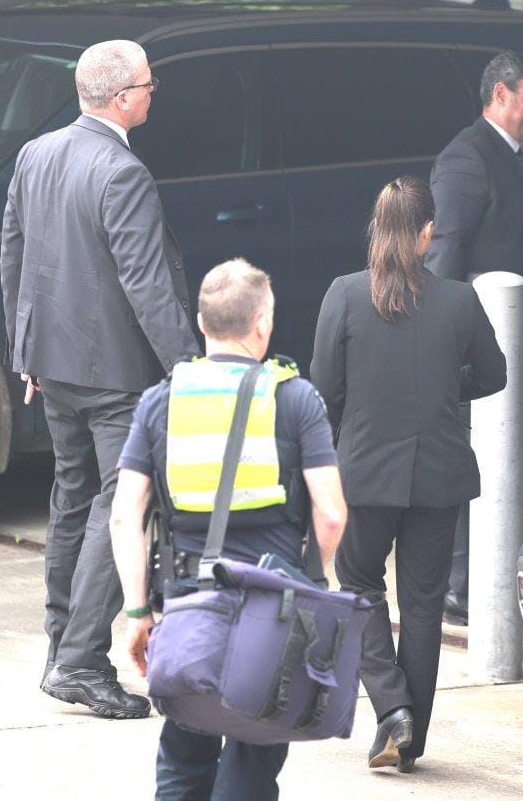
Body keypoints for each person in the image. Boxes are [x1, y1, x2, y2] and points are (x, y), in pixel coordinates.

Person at [0, 39, 199, 719]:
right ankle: (81, 660)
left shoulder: (36, 153)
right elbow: (145, 284)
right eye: (148, 84)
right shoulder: (122, 173)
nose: (152, 93)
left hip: (53, 366)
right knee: (122, 510)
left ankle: (64, 646)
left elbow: (14, 255)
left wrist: (24, 351)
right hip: (114, 375)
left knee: (73, 499)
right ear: (121, 98)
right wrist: (190, 371)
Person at [108, 258, 348, 800]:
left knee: (185, 748)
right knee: (254, 749)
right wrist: (309, 579)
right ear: (263, 323)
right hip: (272, 606)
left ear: (200, 323)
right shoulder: (295, 397)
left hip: (190, 604)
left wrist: (138, 612)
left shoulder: (160, 401)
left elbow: (125, 514)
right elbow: (331, 513)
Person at [311, 177, 506, 774]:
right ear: (426, 235)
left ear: (377, 231)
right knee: (423, 606)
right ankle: (408, 737)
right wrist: (453, 386)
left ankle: (392, 711)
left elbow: (325, 391)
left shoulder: (343, 296)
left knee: (358, 588)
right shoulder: (459, 300)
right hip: (436, 474)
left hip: (365, 471)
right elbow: (494, 374)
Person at [426, 49, 523, 624]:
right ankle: (459, 582)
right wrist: (435, 328)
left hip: (504, 335)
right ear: (499, 95)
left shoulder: (515, 158)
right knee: (467, 455)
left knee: (495, 457)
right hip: (472, 333)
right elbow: (446, 250)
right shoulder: (468, 159)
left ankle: (476, 578)